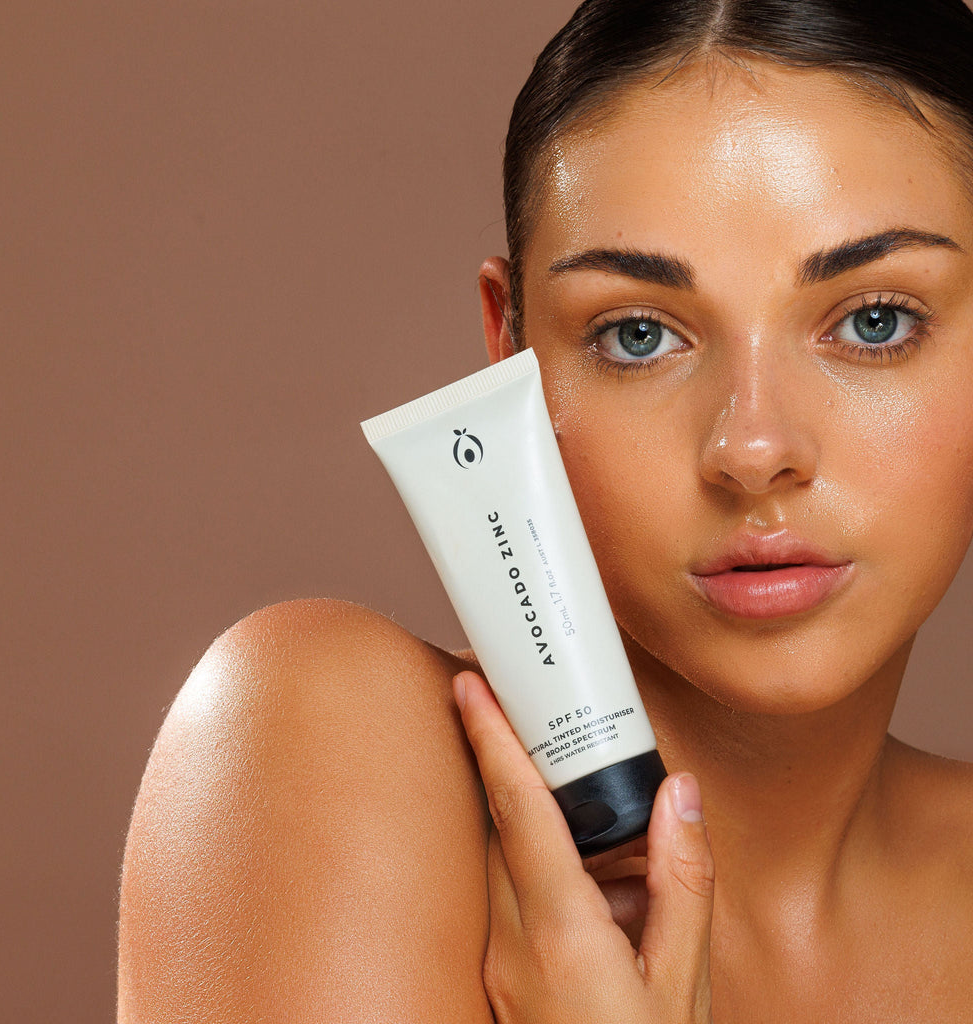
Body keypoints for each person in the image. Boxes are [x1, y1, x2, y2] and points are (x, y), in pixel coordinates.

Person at [117, 1, 973, 1020]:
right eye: (639, 335)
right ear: (511, 350)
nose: (753, 450)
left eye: (875, 321)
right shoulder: (326, 749)